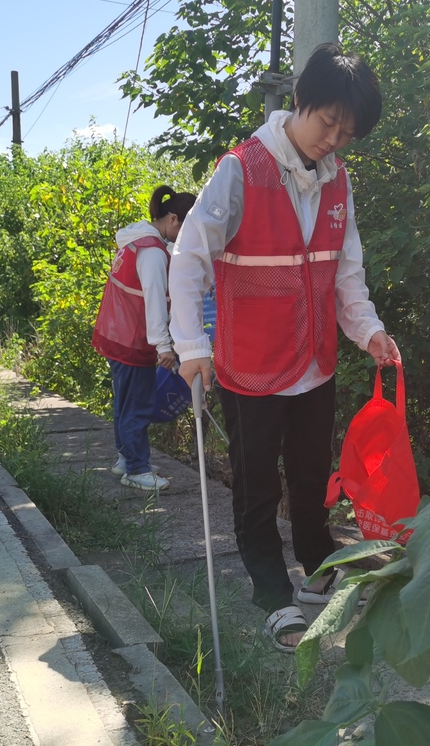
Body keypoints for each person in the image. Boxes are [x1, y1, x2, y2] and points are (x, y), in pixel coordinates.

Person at [168, 43, 399, 653]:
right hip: (251, 364)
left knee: (309, 475)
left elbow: (346, 270)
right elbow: (190, 256)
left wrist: (369, 330)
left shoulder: (337, 180)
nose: (333, 141)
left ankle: (318, 569)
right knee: (256, 484)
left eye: (346, 133)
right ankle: (272, 593)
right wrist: (190, 344)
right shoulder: (242, 170)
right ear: (301, 101)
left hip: (314, 362)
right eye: (328, 123)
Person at [92, 185, 196, 491]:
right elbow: (153, 300)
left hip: (118, 334)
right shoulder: (152, 252)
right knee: (136, 405)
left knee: (124, 403)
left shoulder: (135, 238)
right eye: (187, 231)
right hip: (135, 339)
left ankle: (126, 458)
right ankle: (137, 468)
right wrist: (164, 346)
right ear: (174, 220)